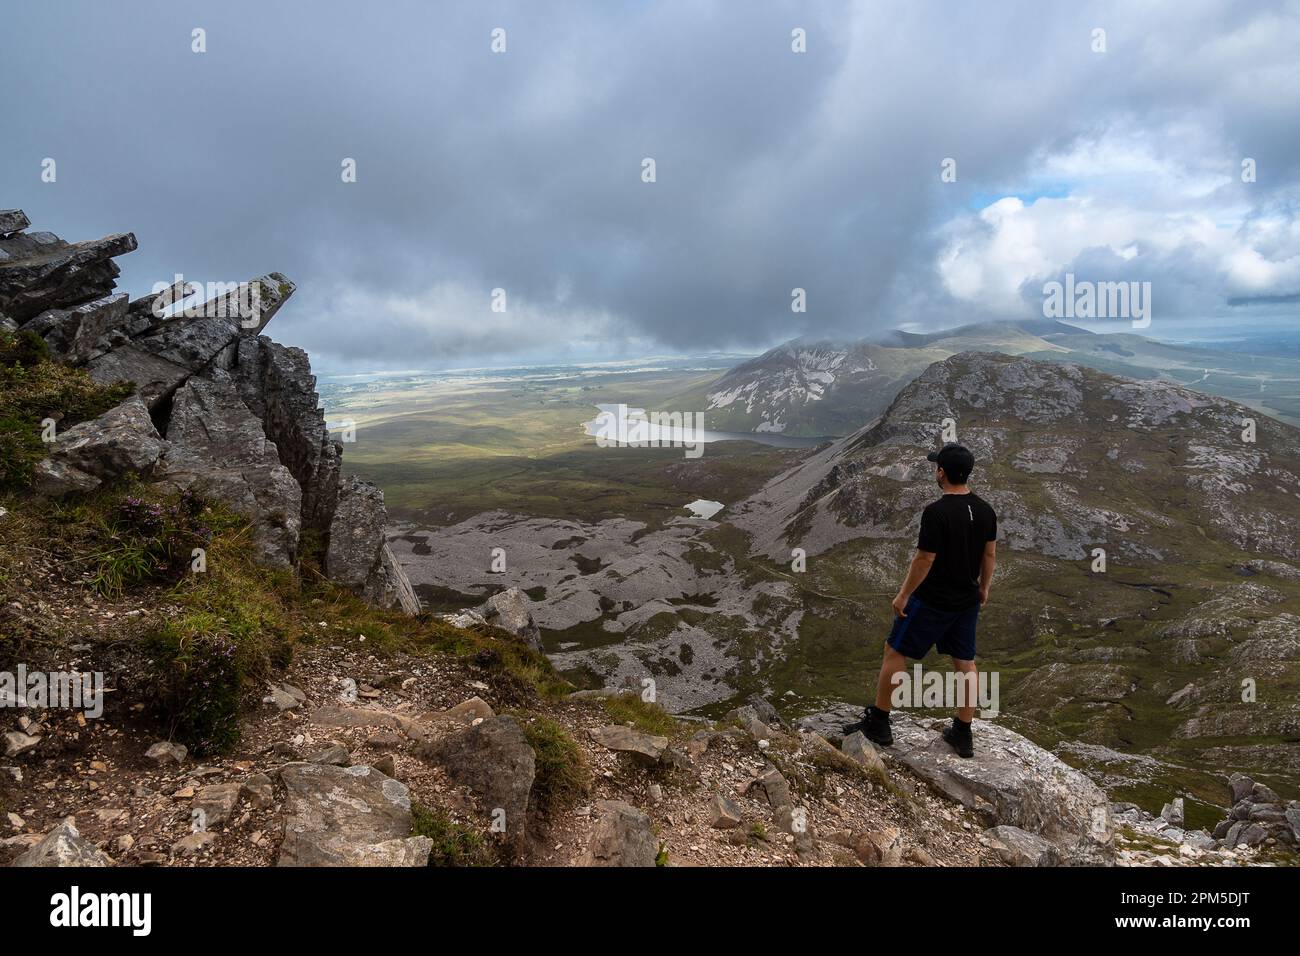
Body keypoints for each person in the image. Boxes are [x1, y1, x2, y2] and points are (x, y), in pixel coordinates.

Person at [843, 443, 997, 758]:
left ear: (942, 472)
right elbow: (990, 553)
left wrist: (903, 595)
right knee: (965, 663)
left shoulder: (936, 512)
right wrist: (984, 588)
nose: (935, 471)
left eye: (936, 466)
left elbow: (925, 558)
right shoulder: (985, 510)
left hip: (932, 600)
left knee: (895, 650)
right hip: (966, 600)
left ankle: (880, 722)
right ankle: (963, 732)